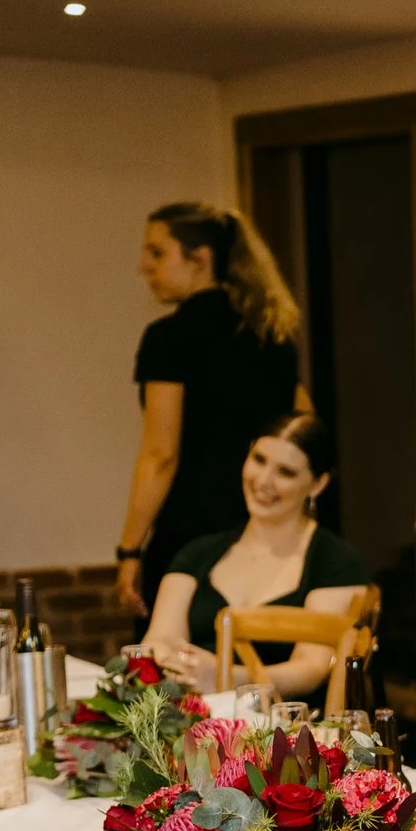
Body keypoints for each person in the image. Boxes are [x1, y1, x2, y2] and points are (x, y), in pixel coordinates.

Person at [119, 203, 306, 618]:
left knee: (171, 672)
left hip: (192, 535)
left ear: (200, 258)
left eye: (157, 253)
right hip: (266, 527)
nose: (143, 267)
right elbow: (304, 424)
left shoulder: (169, 338)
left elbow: (160, 454)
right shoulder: (271, 331)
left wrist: (130, 549)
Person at [142, 414, 368, 702]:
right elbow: (159, 638)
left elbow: (312, 668)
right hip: (191, 722)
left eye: (285, 472)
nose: (263, 481)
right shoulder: (197, 553)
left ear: (317, 484)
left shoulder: (336, 562)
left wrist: (226, 677)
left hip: (285, 732)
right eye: (259, 460)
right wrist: (167, 657)